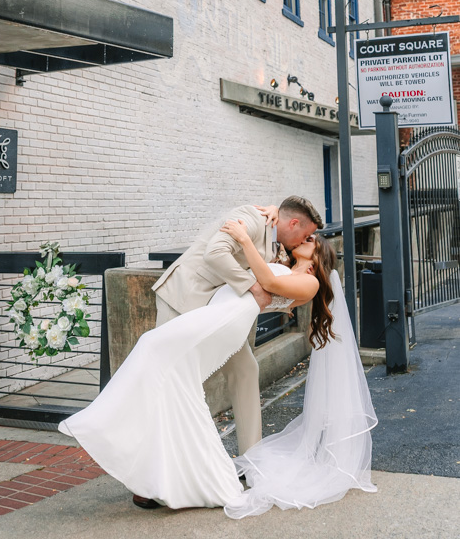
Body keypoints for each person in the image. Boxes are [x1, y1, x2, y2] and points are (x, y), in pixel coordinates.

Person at [58, 221, 377, 516]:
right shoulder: (287, 265)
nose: (304, 239)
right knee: (173, 377)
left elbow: (264, 280)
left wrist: (241, 238)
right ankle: (175, 471)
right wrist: (270, 214)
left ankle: (107, 427)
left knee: (153, 347)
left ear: (319, 254)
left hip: (224, 322)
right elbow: (267, 254)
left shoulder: (308, 282)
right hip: (217, 314)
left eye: (311, 240)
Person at [151, 196, 323, 458]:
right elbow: (215, 253)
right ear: (294, 223)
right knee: (168, 379)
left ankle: (252, 459)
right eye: (306, 235)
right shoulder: (252, 217)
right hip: (183, 298)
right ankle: (154, 467)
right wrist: (253, 287)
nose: (304, 241)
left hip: (217, 312)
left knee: (245, 369)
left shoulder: (281, 242)